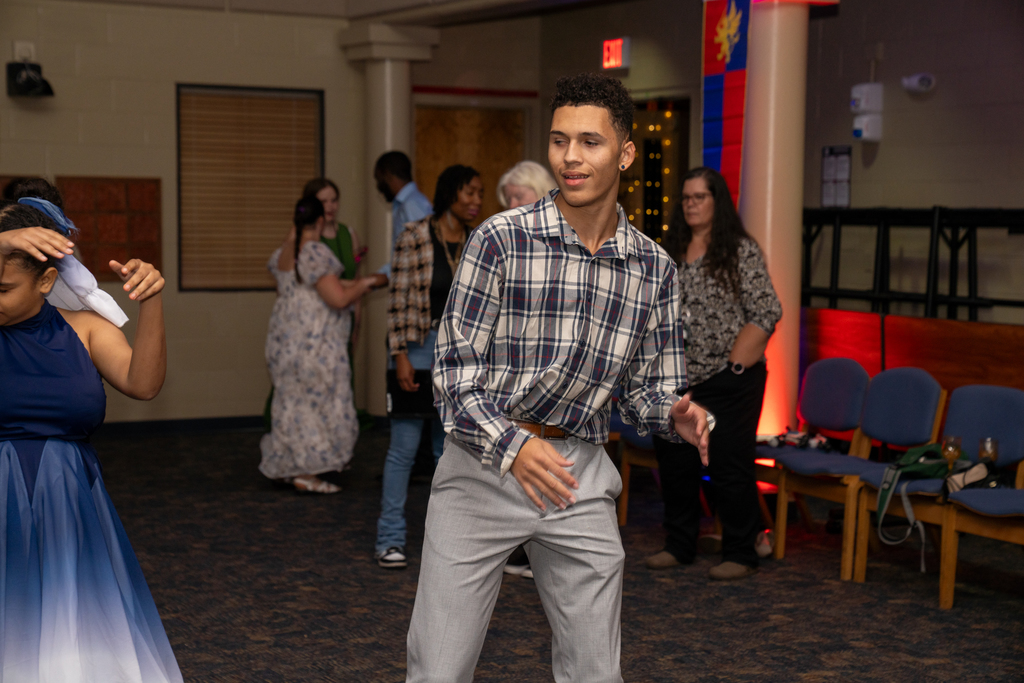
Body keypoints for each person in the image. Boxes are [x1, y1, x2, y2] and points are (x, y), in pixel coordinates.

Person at [407, 73, 711, 683]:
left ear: (625, 153)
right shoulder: (500, 239)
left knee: (595, 672)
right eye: (559, 140)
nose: (570, 157)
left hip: (578, 477)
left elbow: (645, 388)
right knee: (439, 669)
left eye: (590, 142)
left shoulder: (652, 268)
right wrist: (514, 448)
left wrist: (671, 411)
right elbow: (454, 375)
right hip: (482, 468)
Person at [0, 197, 183, 682]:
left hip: (68, 502)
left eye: (3, 288)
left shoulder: (82, 329)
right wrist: (3, 241)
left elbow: (143, 384)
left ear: (46, 281)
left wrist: (151, 300)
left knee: (76, 632)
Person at [645, 166, 782, 581]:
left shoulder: (740, 250)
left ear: (716, 201)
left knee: (728, 465)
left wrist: (738, 362)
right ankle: (679, 544)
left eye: (699, 197)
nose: (690, 205)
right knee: (675, 463)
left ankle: (741, 552)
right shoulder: (670, 249)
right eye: (686, 198)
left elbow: (767, 309)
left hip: (730, 380)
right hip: (678, 380)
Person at [375, 165, 484, 570]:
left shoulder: (476, 241)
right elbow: (398, 299)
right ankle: (389, 538)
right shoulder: (415, 235)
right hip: (418, 349)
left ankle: (446, 541)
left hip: (458, 355)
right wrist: (400, 354)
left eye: (480, 194)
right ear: (451, 193)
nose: (476, 201)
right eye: (470, 192)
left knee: (448, 452)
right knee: (404, 450)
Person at [260, 197, 379, 493]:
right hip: (314, 341)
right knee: (317, 404)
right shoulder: (314, 251)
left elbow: (306, 288)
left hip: (284, 341)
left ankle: (286, 466)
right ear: (320, 221)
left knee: (290, 404)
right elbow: (337, 298)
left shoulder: (284, 252)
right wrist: (366, 284)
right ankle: (307, 471)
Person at [493, 158, 559, 582]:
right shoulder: (501, 244)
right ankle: (517, 549)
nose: (511, 205)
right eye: (508, 199)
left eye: (519, 196)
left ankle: (539, 548)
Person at [374, 151, 433, 248]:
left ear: (388, 175)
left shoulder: (412, 204)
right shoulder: (405, 203)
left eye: (379, 179)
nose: (378, 187)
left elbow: (425, 247)